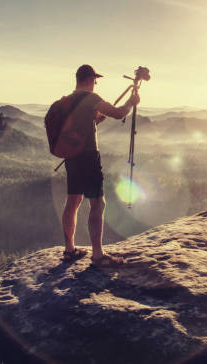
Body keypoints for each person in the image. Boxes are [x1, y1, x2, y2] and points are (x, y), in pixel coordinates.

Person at [61, 64, 140, 266]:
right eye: (95, 80)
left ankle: (69, 250)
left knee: (73, 202)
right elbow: (119, 113)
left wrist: (96, 120)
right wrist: (131, 102)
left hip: (71, 157)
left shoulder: (69, 100)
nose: (96, 83)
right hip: (88, 157)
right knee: (98, 204)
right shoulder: (92, 99)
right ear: (89, 79)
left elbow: (84, 125)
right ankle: (98, 255)